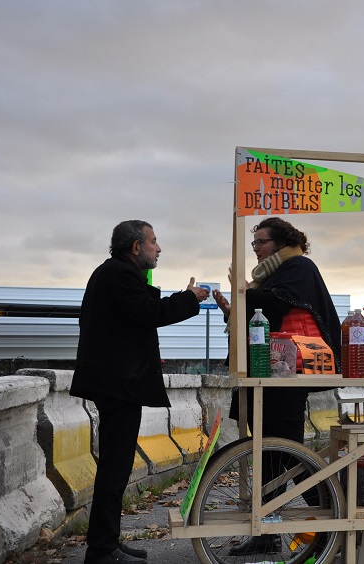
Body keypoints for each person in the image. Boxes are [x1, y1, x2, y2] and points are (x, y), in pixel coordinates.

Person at [70, 220, 209, 564]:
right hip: (118, 385)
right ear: (136, 247)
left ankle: (108, 543)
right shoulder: (118, 274)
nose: (158, 248)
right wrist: (189, 299)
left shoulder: (114, 273)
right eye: (153, 242)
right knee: (114, 469)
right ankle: (101, 551)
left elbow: (139, 310)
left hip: (116, 384)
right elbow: (150, 313)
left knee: (115, 467)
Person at [212, 217, 342, 556]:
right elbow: (262, 315)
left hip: (289, 373)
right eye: (253, 243)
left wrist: (243, 291)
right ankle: (268, 534)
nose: (255, 249)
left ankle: (329, 527)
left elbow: (272, 306)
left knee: (289, 453)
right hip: (269, 373)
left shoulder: (298, 266)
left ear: (281, 243)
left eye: (260, 242)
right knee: (268, 455)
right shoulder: (274, 275)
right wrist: (234, 308)